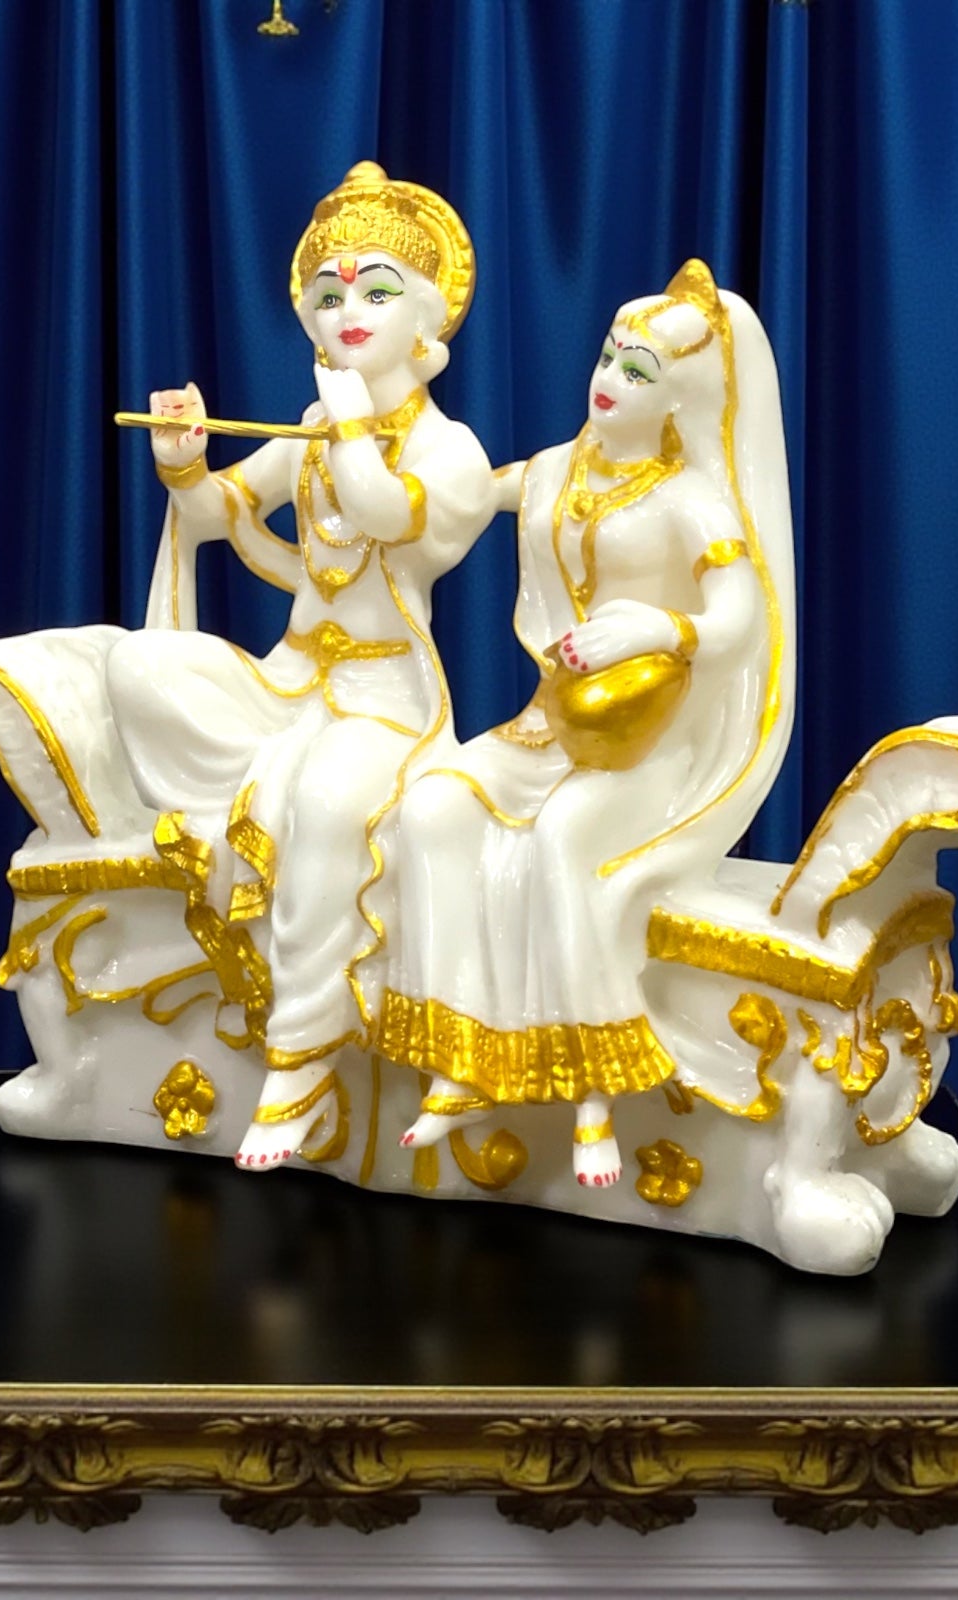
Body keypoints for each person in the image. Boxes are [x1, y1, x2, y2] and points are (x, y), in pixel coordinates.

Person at [366, 261, 796, 1186]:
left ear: (679, 400)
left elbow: (740, 618)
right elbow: (465, 493)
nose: (609, 380)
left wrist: (662, 629)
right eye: (608, 358)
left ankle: (593, 1088)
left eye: (639, 371)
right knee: (430, 807)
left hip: (647, 744)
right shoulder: (555, 471)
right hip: (548, 725)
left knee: (563, 842)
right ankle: (460, 1056)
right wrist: (380, 435)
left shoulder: (691, 502)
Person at [104, 163, 495, 1169]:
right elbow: (215, 512)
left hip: (384, 699)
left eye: (376, 292)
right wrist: (184, 459)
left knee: (324, 802)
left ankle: (303, 1056)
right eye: (329, 295)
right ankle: (219, 844)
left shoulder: (447, 451)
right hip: (293, 679)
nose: (347, 311)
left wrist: (353, 427)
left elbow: (388, 518)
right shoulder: (315, 432)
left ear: (429, 322)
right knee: (143, 670)